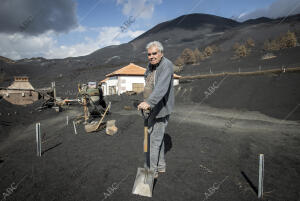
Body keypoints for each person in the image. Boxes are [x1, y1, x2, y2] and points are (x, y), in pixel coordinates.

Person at [138, 41, 175, 179]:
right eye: (149, 54)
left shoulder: (167, 65)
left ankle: (151, 172)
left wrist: (149, 102)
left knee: (153, 142)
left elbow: (161, 88)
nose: (152, 56)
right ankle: (160, 166)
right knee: (156, 139)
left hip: (160, 109)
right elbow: (147, 81)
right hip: (150, 109)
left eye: (154, 53)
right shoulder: (151, 66)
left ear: (161, 53)